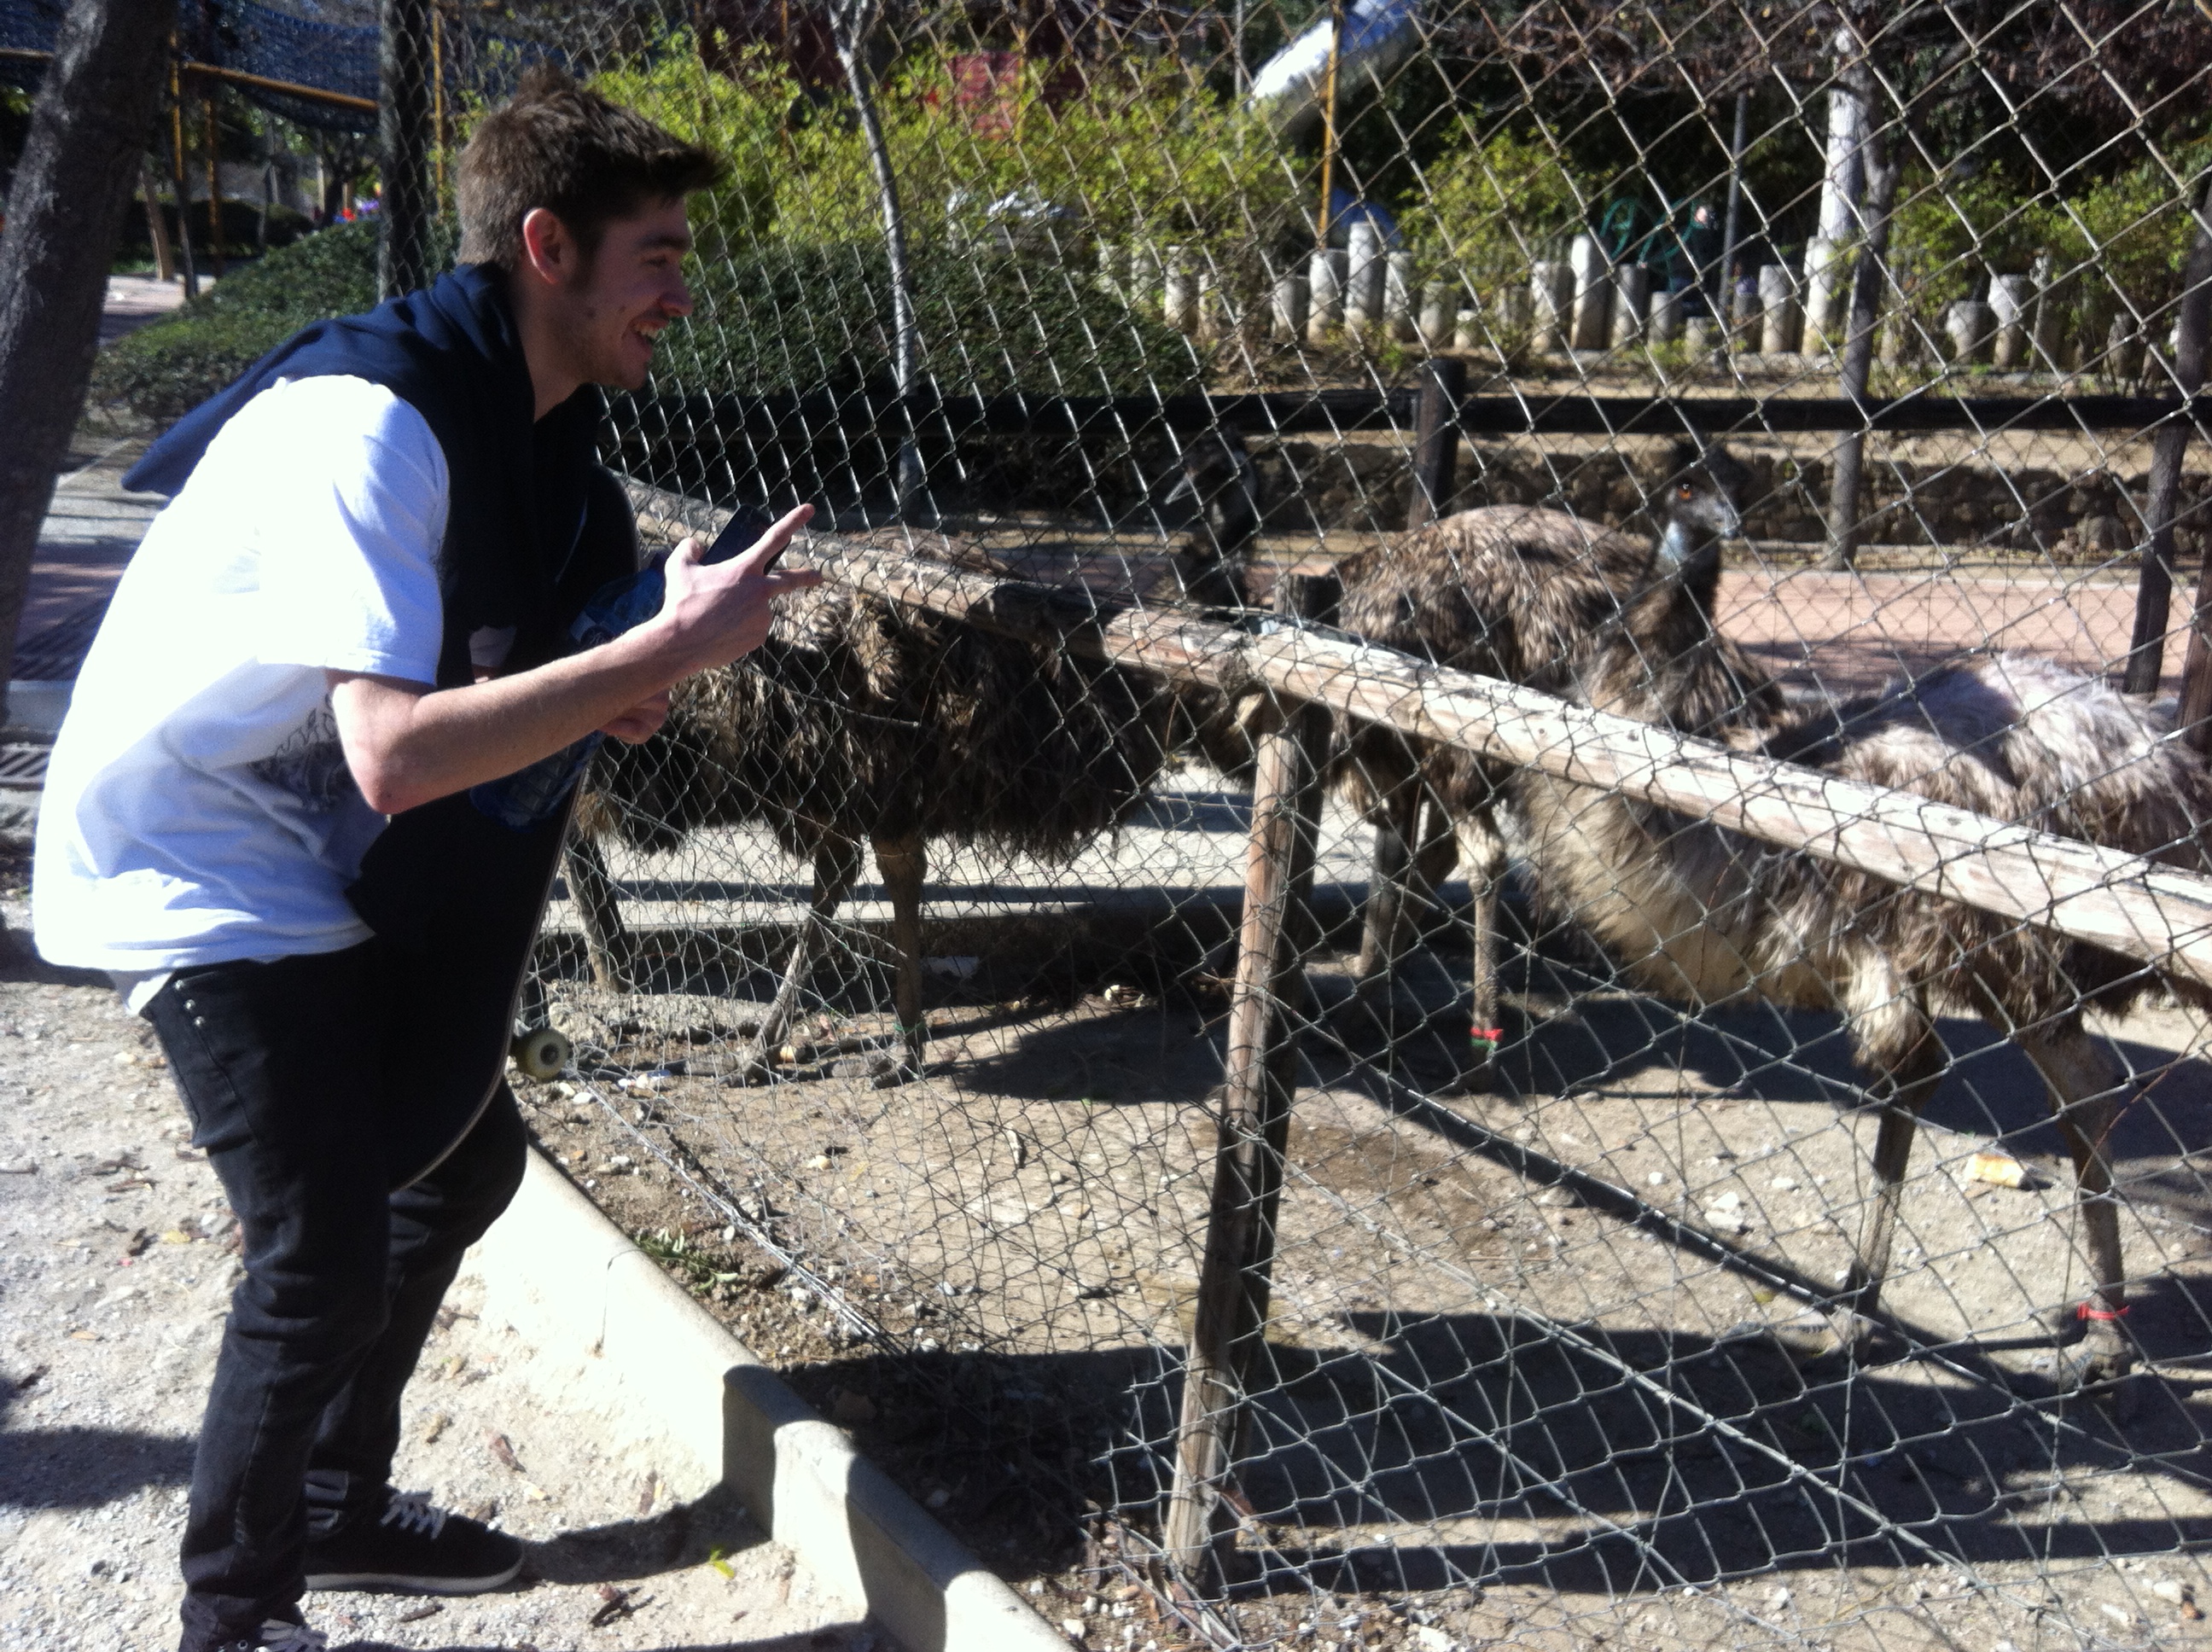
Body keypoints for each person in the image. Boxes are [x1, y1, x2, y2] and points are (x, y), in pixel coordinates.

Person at [31, 66, 818, 1652]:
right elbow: (396, 755)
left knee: (455, 1160)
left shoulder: (548, 441)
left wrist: (632, 650)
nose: (684, 286)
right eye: (655, 252)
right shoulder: (372, 422)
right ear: (547, 247)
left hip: (299, 848)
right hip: (181, 849)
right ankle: (235, 1619)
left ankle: (329, 1503)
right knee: (318, 1242)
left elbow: (559, 697)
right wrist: (643, 658)